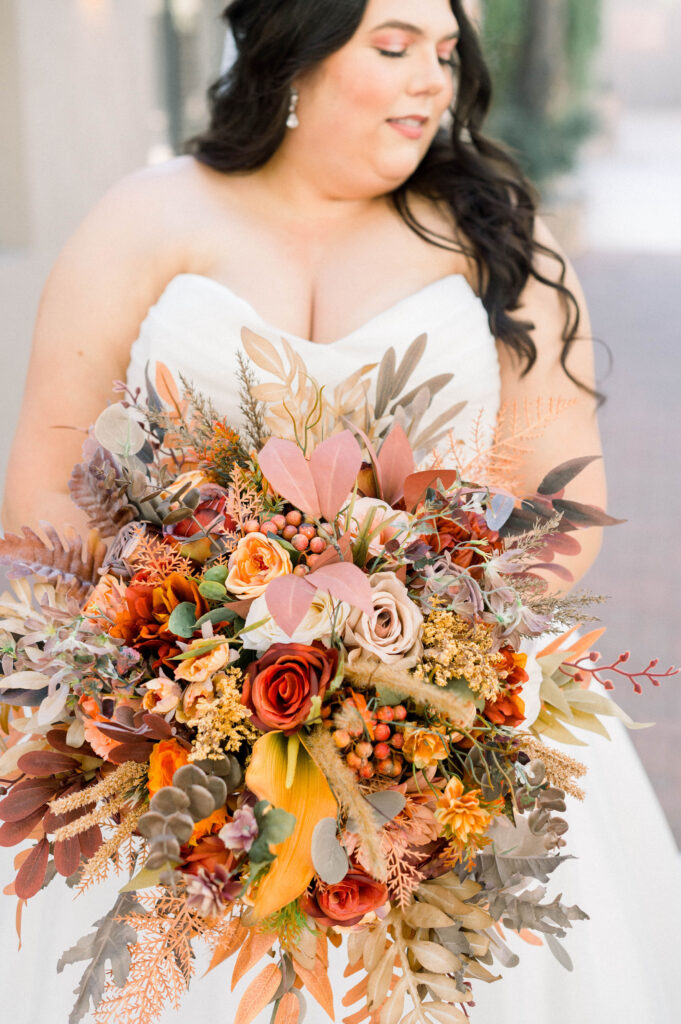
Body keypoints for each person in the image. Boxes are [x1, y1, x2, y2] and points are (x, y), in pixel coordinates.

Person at [1, 2, 678, 1022]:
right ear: (296, 54)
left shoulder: (496, 233)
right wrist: (169, 664)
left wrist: (436, 665)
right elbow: (46, 480)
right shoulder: (145, 218)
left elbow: (562, 497)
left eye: (444, 53)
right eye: (393, 47)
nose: (433, 80)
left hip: (451, 724)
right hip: (161, 731)